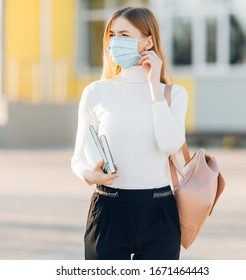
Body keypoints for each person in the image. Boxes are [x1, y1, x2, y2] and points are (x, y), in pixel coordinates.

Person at [70, 6, 188, 260]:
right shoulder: (96, 92)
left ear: (148, 41)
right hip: (108, 209)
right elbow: (77, 157)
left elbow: (169, 145)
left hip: (160, 211)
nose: (115, 43)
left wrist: (155, 88)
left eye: (124, 35)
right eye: (112, 35)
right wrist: (89, 175)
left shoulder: (174, 94)